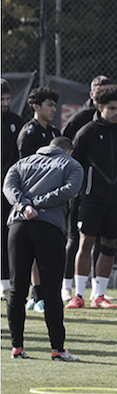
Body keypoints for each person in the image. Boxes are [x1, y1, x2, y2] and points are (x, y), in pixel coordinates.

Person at [3, 136, 84, 361]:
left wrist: (24, 204)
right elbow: (69, 191)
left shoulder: (22, 163)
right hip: (49, 227)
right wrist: (39, 203)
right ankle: (58, 349)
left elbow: (8, 187)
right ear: (69, 151)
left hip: (18, 226)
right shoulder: (72, 164)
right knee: (51, 290)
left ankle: (17, 347)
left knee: (17, 289)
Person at [66, 85, 117, 309]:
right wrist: (78, 193)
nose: (116, 113)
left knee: (109, 245)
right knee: (85, 243)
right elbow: (74, 166)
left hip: (115, 201)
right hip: (90, 199)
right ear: (100, 106)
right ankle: (78, 295)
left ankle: (99, 296)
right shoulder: (87, 132)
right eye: (112, 108)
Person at [61, 75, 116, 302]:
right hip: (81, 191)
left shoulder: (115, 121)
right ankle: (66, 286)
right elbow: (64, 149)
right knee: (76, 238)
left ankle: (97, 291)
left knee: (102, 240)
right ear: (92, 95)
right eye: (100, 92)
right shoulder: (80, 120)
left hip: (106, 193)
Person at [16, 86, 61, 313]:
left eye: (55, 105)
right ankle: (35, 294)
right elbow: (24, 169)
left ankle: (42, 293)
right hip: (31, 202)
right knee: (34, 249)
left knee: (48, 249)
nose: (54, 109)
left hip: (50, 201)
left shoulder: (54, 133)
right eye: (49, 105)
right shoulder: (29, 133)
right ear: (36, 107)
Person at [1, 79, 24, 300]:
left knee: (7, 233)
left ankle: (5, 283)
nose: (6, 103)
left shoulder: (17, 122)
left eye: (8, 99)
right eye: (2, 99)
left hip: (8, 190)